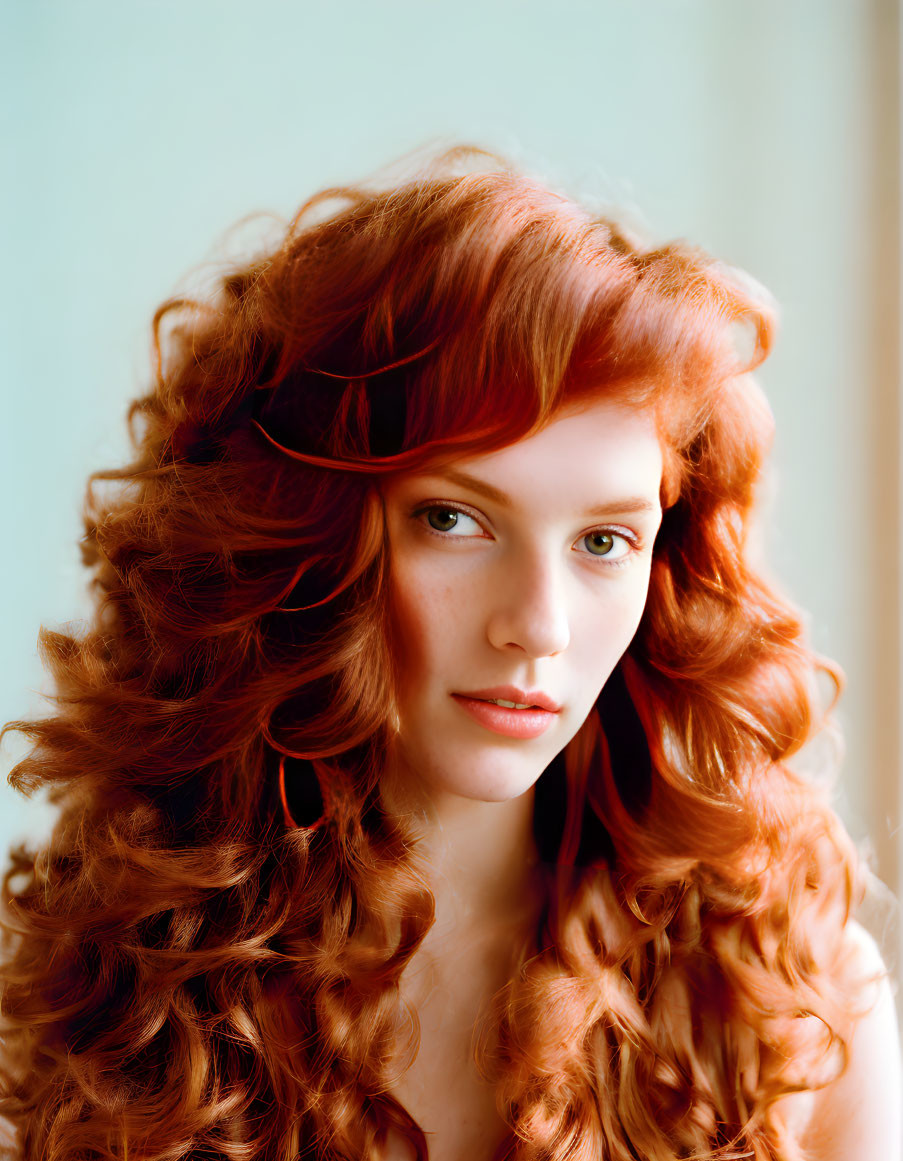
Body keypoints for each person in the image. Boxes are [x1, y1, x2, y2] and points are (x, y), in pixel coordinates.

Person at [0, 147, 899, 1161]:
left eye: (605, 541)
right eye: (456, 521)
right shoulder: (94, 1004)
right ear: (299, 536)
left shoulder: (797, 1017)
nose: (540, 625)